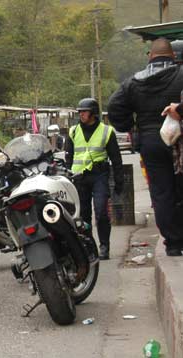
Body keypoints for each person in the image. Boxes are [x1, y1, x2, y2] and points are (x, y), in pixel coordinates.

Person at [108, 38, 183, 256]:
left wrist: (131, 127)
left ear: (150, 56)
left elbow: (114, 108)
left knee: (161, 192)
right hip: (178, 141)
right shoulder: (180, 74)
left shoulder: (133, 82)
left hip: (150, 141)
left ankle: (173, 243)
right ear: (172, 56)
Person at [65, 98, 123, 260]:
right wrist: (67, 177)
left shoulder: (106, 131)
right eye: (80, 112)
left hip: (99, 176)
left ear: (93, 113)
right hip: (79, 178)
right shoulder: (73, 131)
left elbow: (116, 158)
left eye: (84, 111)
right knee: (83, 216)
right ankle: (89, 247)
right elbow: (68, 158)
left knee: (101, 212)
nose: (81, 114)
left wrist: (119, 182)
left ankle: (104, 246)